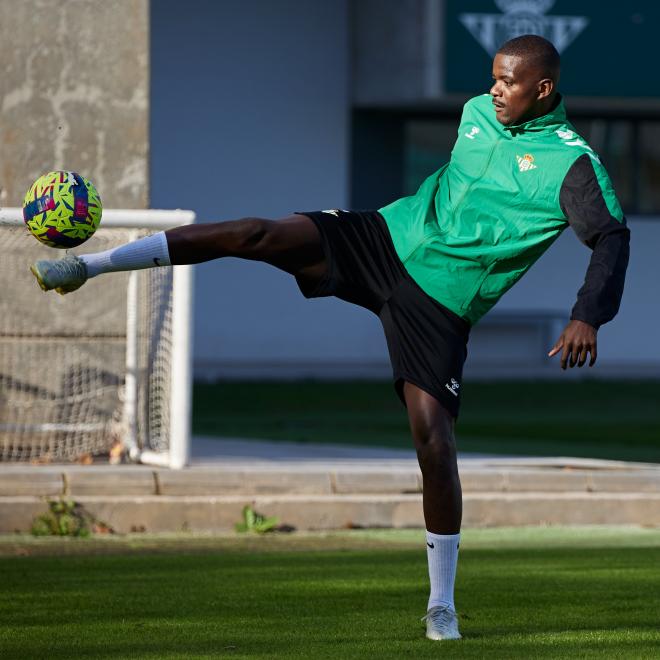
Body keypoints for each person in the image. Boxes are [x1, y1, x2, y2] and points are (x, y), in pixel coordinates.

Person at [30, 34, 629, 641]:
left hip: (440, 302)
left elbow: (611, 236)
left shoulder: (574, 163)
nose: (494, 90)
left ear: (544, 89)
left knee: (433, 442)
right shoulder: (477, 112)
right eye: (493, 78)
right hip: (383, 238)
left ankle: (440, 605)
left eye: (508, 82)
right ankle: (88, 266)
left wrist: (588, 313)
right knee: (256, 233)